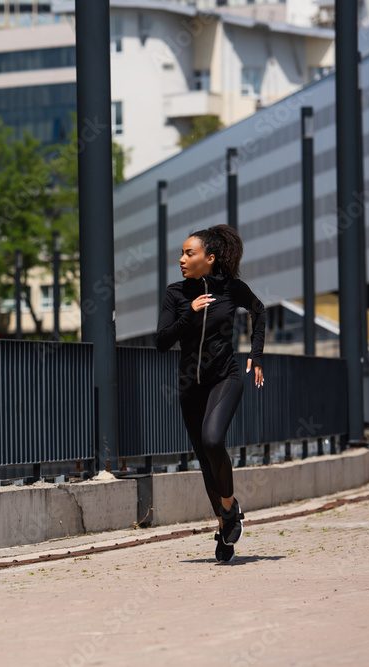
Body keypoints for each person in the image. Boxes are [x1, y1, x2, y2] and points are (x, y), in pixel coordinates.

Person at [155, 224, 266, 563]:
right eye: (182, 253)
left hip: (225, 378)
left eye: (189, 253)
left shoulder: (232, 289)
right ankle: (224, 529)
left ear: (210, 258)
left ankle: (230, 509)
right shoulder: (176, 294)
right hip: (191, 387)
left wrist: (256, 355)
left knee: (214, 440)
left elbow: (259, 311)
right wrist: (190, 314)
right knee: (205, 460)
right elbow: (161, 342)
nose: (182, 259)